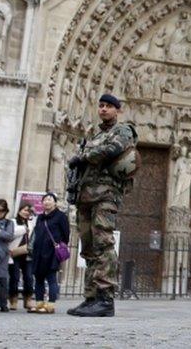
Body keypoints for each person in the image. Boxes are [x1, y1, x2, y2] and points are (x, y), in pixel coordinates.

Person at [65, 94, 137, 317]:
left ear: (117, 110)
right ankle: (91, 297)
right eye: (101, 106)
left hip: (105, 195)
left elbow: (113, 150)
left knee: (103, 243)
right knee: (88, 247)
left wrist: (84, 156)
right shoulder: (96, 135)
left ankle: (106, 299)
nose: (103, 109)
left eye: (108, 106)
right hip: (85, 195)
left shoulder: (123, 130)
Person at [30, 193, 70, 314]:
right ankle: (39, 303)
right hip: (39, 251)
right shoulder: (41, 217)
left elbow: (66, 234)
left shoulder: (61, 216)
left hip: (51, 251)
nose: (47, 202)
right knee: (38, 278)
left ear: (55, 202)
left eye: (49, 200)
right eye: (45, 200)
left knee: (51, 277)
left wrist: (59, 244)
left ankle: (51, 305)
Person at [7, 203, 36, 310]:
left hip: (28, 254)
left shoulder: (32, 222)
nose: (26, 212)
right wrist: (24, 229)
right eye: (24, 210)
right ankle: (13, 299)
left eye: (28, 211)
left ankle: (28, 299)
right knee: (14, 277)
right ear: (19, 210)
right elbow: (11, 234)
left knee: (28, 277)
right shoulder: (13, 222)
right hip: (15, 253)